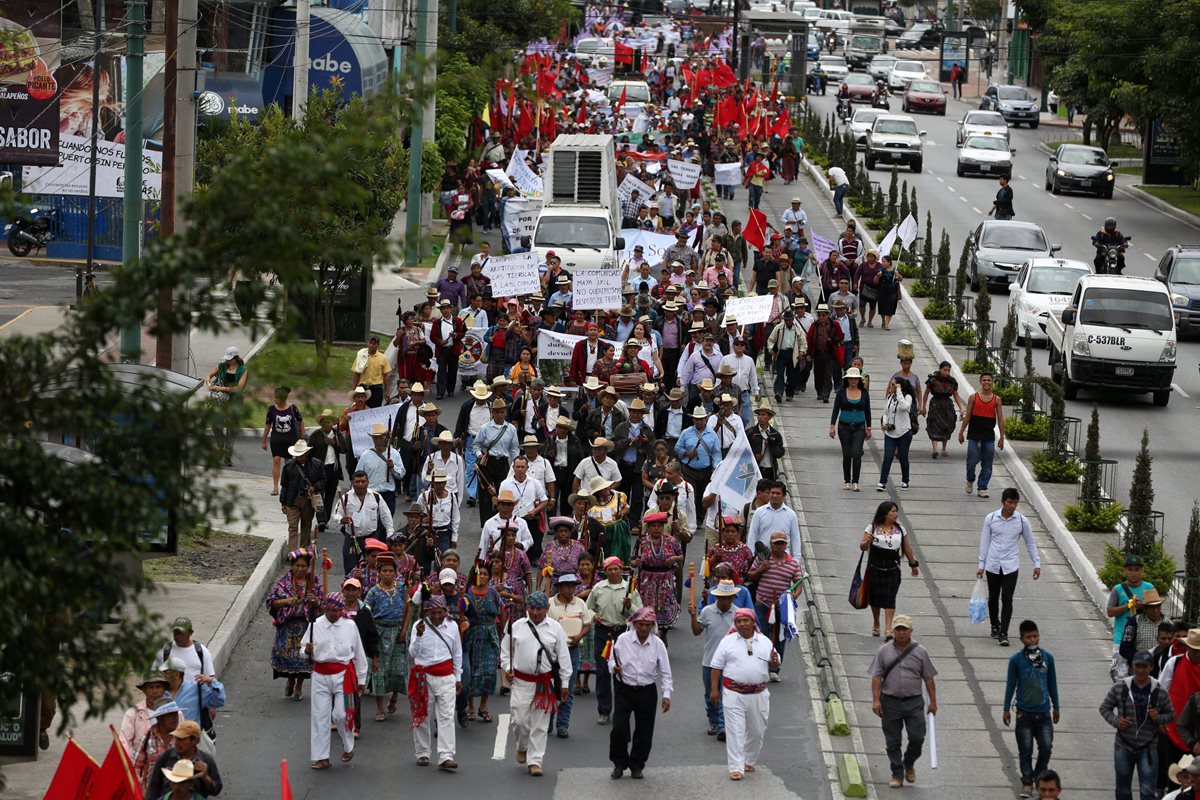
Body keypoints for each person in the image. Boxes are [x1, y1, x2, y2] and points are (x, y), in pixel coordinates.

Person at [500, 591, 573, 777]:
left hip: (544, 683)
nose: (535, 612)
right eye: (531, 608)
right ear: (527, 608)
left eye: (539, 608)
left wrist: (564, 683)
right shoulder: (516, 625)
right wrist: (508, 667)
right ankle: (522, 746)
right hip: (521, 682)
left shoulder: (555, 628)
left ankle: (535, 760)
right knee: (520, 721)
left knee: (540, 724)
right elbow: (505, 651)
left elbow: (564, 658)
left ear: (547, 609)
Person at [710, 606, 781, 780]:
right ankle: (735, 766)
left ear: (753, 622)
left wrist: (773, 662)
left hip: (759, 694)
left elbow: (775, 666)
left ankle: (749, 759)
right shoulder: (727, 642)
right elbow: (716, 667)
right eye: (738, 621)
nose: (742, 624)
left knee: (757, 730)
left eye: (745, 620)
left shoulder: (764, 642)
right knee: (735, 730)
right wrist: (714, 690)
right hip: (733, 693)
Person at [870, 615, 938, 788]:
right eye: (898, 629)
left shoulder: (920, 651)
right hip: (890, 701)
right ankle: (897, 774)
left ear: (910, 631)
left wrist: (933, 702)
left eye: (904, 629)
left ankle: (909, 763)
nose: (901, 632)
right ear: (893, 631)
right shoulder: (884, 651)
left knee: (917, 737)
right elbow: (877, 677)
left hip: (913, 701)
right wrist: (876, 700)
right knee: (892, 741)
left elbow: (928, 678)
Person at [302, 592, 368, 769]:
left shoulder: (350, 625)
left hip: (344, 678)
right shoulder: (315, 625)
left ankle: (348, 747)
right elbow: (302, 650)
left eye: (338, 610)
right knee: (320, 717)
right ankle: (321, 757)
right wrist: (306, 651)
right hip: (320, 677)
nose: (335, 614)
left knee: (342, 714)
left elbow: (359, 655)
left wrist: (361, 680)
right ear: (325, 608)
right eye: (332, 610)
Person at [608, 605, 673, 780]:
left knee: (644, 731)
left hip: (647, 690)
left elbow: (666, 672)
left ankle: (637, 764)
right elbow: (610, 660)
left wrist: (666, 695)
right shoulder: (622, 640)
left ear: (652, 626)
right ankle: (619, 763)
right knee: (619, 728)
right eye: (640, 624)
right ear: (634, 624)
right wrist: (615, 667)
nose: (644, 628)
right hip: (624, 688)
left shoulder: (658, 644)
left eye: (647, 625)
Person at [1102, 649, 1175, 800]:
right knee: (1122, 791)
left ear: (1151, 667)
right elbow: (1105, 708)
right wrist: (1116, 721)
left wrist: (1158, 718)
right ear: (1132, 667)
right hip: (1123, 745)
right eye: (1138, 666)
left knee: (1148, 792)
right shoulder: (1120, 688)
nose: (1141, 670)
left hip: (1148, 748)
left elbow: (1171, 714)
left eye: (1145, 666)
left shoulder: (1160, 691)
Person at [1000, 619, 1061, 796]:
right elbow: (1010, 685)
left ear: (1039, 636)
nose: (1032, 640)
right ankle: (1027, 781)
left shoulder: (1048, 659)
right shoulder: (1016, 660)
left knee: (1046, 747)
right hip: (1024, 714)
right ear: (1022, 639)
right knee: (1025, 750)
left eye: (1035, 636)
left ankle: (1039, 776)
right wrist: (1006, 709)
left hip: (1043, 714)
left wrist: (1056, 706)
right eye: (1028, 637)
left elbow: (1052, 684)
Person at [977, 488, 1042, 646]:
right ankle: (994, 624)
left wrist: (1037, 563)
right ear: (1003, 502)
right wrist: (981, 565)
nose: (1012, 506)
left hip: (1010, 566)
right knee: (993, 597)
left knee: (1007, 599)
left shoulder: (1022, 521)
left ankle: (1004, 632)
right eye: (1009, 502)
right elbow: (984, 542)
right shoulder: (991, 518)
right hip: (993, 565)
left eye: (1015, 503)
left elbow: (1030, 543)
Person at [407, 594, 463, 770]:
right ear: (427, 611)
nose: (436, 616)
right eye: (433, 613)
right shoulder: (418, 626)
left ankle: (446, 756)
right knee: (423, 715)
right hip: (424, 677)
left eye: (439, 612)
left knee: (446, 717)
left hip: (446, 677)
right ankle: (423, 752)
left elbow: (457, 653)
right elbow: (413, 653)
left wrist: (458, 677)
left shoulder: (452, 626)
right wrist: (420, 635)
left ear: (445, 611)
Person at [746, 531, 806, 680]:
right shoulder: (762, 559)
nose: (779, 546)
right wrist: (762, 569)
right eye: (776, 543)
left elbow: (799, 583)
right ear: (771, 544)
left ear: (786, 545)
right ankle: (761, 666)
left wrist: (795, 595)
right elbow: (750, 575)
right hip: (762, 602)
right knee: (762, 635)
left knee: (780, 637)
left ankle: (775, 668)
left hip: (782, 606)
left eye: (781, 543)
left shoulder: (793, 564)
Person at [266, 548, 322, 701]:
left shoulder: (314, 582)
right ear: (292, 566)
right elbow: (272, 602)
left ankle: (299, 686)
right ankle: (290, 680)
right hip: (288, 626)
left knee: (304, 657)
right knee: (287, 657)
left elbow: (322, 603)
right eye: (297, 566)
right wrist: (287, 601)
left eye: (303, 566)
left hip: (305, 626)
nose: (300, 569)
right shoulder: (284, 582)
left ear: (308, 567)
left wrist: (315, 601)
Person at [860, 502, 919, 638]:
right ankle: (876, 623)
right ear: (885, 513)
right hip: (875, 568)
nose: (896, 514)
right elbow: (862, 547)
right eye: (893, 511)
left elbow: (907, 548)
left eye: (896, 511)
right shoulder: (872, 528)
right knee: (874, 598)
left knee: (890, 598)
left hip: (892, 569)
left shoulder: (900, 529)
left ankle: (888, 630)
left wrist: (913, 564)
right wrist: (866, 541)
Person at [547, 573, 595, 738]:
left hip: (572, 650)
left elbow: (587, 625)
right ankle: (548, 720)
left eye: (573, 586)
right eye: (567, 586)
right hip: (552, 653)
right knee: (551, 687)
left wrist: (579, 636)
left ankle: (562, 725)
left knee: (568, 689)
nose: (570, 589)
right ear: (559, 587)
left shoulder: (580, 603)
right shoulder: (549, 604)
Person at [691, 580, 739, 740]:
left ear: (732, 598)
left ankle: (723, 726)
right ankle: (713, 721)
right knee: (711, 695)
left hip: (730, 663)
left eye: (727, 598)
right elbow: (697, 631)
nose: (724, 601)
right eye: (721, 598)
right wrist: (693, 616)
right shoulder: (707, 612)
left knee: (727, 695)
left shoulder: (739, 615)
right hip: (710, 661)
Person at [364, 554, 408, 721]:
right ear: (379, 572)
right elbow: (367, 613)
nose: (388, 574)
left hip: (398, 632)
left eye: (391, 571)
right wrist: (372, 637)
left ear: (395, 572)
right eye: (384, 571)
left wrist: (404, 630)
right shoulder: (373, 592)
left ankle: (394, 697)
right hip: (379, 632)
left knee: (398, 669)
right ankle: (380, 708)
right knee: (379, 671)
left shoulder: (402, 588)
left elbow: (408, 608)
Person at [329, 471, 394, 574]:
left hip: (371, 538)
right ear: (352, 482)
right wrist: (341, 520)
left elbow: (386, 515)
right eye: (357, 482)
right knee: (350, 569)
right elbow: (336, 514)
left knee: (374, 568)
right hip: (352, 539)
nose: (360, 484)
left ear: (368, 482)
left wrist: (390, 533)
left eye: (363, 481)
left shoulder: (376, 497)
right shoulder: (345, 498)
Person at [1109, 555, 1158, 681]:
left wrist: (1142, 605)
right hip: (1121, 639)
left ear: (1141, 571)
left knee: (1142, 678)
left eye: (1136, 569)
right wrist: (1128, 605)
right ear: (1124, 571)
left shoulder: (1149, 587)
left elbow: (1155, 609)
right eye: (1130, 569)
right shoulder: (1118, 589)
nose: (1133, 573)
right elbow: (1110, 612)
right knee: (1119, 679)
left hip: (1141, 640)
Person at [463, 562, 502, 723]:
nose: (483, 576)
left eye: (486, 574)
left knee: (489, 672)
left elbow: (502, 611)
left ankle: (483, 706)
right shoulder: (468, 594)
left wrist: (502, 632)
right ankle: (470, 706)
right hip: (473, 635)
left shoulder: (493, 593)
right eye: (480, 574)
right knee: (472, 671)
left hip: (490, 634)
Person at [146, 720, 223, 798]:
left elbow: (216, 790)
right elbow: (154, 786)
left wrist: (206, 778)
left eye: (181, 739)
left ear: (195, 740)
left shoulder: (206, 760)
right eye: (176, 738)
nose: (177, 742)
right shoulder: (166, 756)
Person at [959, 372, 1005, 498]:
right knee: (972, 460)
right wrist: (961, 432)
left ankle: (982, 487)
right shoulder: (973, 397)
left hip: (988, 436)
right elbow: (967, 416)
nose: (986, 382)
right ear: (980, 381)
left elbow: (1000, 419)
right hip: (974, 435)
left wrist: (1002, 437)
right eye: (984, 380)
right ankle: (970, 479)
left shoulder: (997, 400)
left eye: (989, 380)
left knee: (988, 462)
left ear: (992, 382)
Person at [829, 367, 872, 492]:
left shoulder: (864, 393)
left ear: (859, 380)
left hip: (859, 427)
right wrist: (832, 426)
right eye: (851, 379)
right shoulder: (842, 393)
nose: (853, 381)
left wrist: (868, 428)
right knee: (847, 454)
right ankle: (847, 480)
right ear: (847, 380)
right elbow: (836, 409)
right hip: (844, 427)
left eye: (855, 379)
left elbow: (867, 411)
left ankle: (856, 481)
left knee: (857, 454)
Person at [205, 346, 247, 466]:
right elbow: (209, 375)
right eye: (227, 358)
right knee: (216, 425)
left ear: (236, 358)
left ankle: (227, 457)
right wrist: (209, 383)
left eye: (230, 358)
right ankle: (220, 447)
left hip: (235, 404)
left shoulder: (242, 370)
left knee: (231, 430)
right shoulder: (222, 366)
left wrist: (220, 388)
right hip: (221, 402)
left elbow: (238, 388)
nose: (228, 361)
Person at [262, 386, 303, 496]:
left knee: (288, 463)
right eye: (275, 398)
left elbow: (301, 421)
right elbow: (267, 425)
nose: (275, 400)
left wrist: (302, 437)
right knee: (276, 461)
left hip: (290, 439)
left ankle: (288, 485)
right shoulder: (271, 409)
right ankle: (275, 487)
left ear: (283, 399)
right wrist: (263, 440)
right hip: (276, 439)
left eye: (277, 398)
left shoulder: (292, 408)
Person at [120, 672, 171, 760]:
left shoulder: (173, 713)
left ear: (164, 689)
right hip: (141, 763)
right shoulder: (133, 712)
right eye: (150, 687)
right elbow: (124, 741)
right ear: (144, 690)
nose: (155, 691)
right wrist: (130, 764)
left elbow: (182, 736)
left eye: (158, 687)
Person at [877, 377, 915, 491]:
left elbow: (905, 407)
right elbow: (885, 413)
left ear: (899, 386)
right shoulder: (889, 397)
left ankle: (905, 481)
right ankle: (882, 482)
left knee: (903, 457)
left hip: (904, 432)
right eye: (891, 384)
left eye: (893, 385)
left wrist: (899, 392)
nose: (890, 386)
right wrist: (885, 424)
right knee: (888, 457)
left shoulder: (907, 397)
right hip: (890, 433)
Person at [922, 362, 962, 458]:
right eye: (945, 370)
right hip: (935, 404)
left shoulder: (952, 381)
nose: (946, 372)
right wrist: (923, 406)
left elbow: (955, 394)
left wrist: (961, 407)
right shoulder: (932, 380)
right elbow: (926, 393)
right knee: (933, 424)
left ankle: (944, 448)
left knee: (947, 425)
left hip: (947, 405)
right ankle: (934, 449)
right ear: (940, 369)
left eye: (948, 370)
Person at [767, 309, 807, 402]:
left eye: (789, 320)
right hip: (781, 353)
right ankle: (779, 393)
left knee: (792, 375)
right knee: (780, 374)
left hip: (793, 354)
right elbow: (770, 340)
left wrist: (802, 352)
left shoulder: (797, 328)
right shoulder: (779, 328)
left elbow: (803, 342)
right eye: (786, 320)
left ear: (793, 319)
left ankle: (789, 393)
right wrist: (772, 349)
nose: (788, 322)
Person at [430, 300, 466, 400]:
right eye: (443, 308)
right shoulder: (437, 323)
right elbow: (433, 336)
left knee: (452, 371)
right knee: (441, 371)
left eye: (447, 308)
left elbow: (462, 333)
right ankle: (440, 392)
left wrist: (456, 335)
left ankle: (450, 390)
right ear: (441, 310)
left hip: (453, 350)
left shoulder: (458, 321)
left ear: (450, 309)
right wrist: (440, 341)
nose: (445, 310)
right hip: (442, 350)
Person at [748, 402, 785, 482]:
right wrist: (754, 456)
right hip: (755, 469)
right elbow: (744, 450)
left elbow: (780, 453)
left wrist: (771, 445)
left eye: (763, 415)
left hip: (770, 470)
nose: (760, 417)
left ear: (770, 417)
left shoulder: (775, 434)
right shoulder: (751, 432)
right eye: (759, 415)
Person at [352, 335, 392, 408]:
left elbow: (386, 376)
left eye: (374, 343)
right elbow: (357, 374)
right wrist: (353, 389)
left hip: (376, 389)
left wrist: (387, 391)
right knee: (361, 409)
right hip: (363, 388)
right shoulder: (361, 355)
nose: (371, 345)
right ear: (368, 343)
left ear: (378, 345)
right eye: (370, 343)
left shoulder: (383, 358)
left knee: (374, 411)